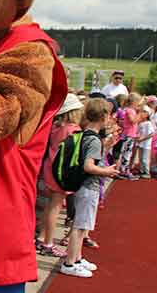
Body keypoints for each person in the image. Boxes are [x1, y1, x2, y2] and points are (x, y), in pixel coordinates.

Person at [60, 98, 118, 278]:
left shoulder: (87, 135)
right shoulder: (93, 140)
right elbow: (88, 166)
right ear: (103, 116)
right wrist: (106, 171)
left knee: (83, 225)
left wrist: (107, 147)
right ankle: (70, 262)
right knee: (80, 227)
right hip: (88, 186)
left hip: (84, 186)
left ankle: (77, 258)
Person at [38, 94, 83, 256]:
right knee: (55, 207)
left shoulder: (55, 127)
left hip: (50, 168)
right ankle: (48, 243)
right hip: (62, 173)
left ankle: (42, 237)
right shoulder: (73, 130)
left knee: (50, 206)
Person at [135, 106, 155, 178]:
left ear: (147, 114)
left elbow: (152, 133)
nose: (141, 113)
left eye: (144, 112)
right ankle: (141, 170)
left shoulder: (148, 123)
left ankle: (146, 172)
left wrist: (142, 139)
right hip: (140, 143)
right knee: (140, 158)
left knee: (145, 159)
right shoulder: (140, 123)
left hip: (146, 144)